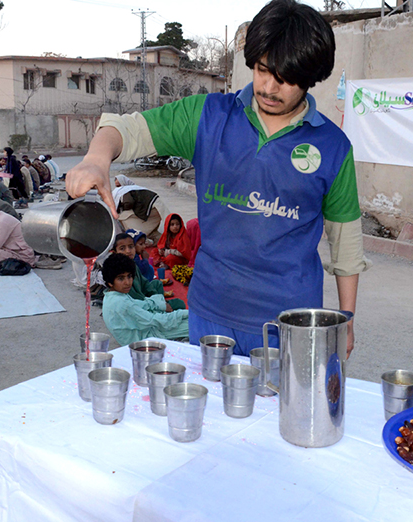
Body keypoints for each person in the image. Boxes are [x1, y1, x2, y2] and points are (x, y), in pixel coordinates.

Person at [66, 0, 367, 357]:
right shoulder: (208, 117)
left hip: (291, 323)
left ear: (310, 78)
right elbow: (128, 129)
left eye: (286, 79)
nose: (269, 87)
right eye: (262, 70)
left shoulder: (332, 146)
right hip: (211, 315)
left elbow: (346, 242)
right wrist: (96, 159)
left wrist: (347, 320)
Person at [100, 253, 189, 346]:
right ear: (110, 282)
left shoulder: (111, 296)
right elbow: (155, 320)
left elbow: (141, 304)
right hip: (145, 339)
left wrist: (159, 304)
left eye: (129, 276)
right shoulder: (121, 303)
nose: (127, 282)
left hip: (144, 329)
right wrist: (184, 313)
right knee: (192, 325)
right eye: (121, 278)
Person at [112, 232, 185, 311]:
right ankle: (160, 311)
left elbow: (145, 284)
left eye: (131, 246)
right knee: (179, 305)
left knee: (157, 284)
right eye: (122, 248)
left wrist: (159, 301)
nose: (128, 251)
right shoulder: (120, 272)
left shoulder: (133, 265)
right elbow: (136, 298)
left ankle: (162, 306)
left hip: (145, 299)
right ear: (115, 252)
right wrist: (155, 304)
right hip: (138, 306)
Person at [112, 175, 168, 240]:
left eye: (119, 185)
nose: (118, 188)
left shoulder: (124, 190)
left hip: (148, 212)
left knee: (121, 217)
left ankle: (139, 237)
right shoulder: (138, 188)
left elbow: (128, 203)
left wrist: (121, 206)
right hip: (156, 211)